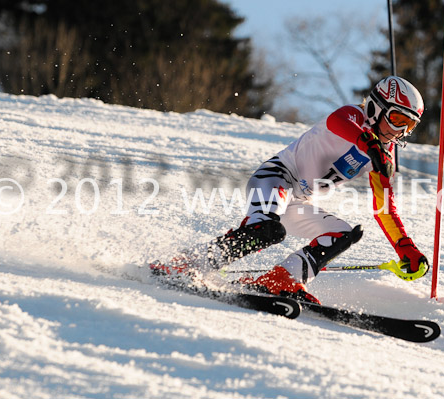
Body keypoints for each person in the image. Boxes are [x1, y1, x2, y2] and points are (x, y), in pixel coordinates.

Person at [153, 76, 429, 304]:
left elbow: (384, 210)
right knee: (266, 231)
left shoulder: (384, 156)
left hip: (298, 201)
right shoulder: (353, 116)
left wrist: (405, 248)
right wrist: (368, 143)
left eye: (409, 127)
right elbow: (338, 122)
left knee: (342, 234)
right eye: (397, 120)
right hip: (275, 179)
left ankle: (282, 278)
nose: (400, 132)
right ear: (377, 107)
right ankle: (187, 264)